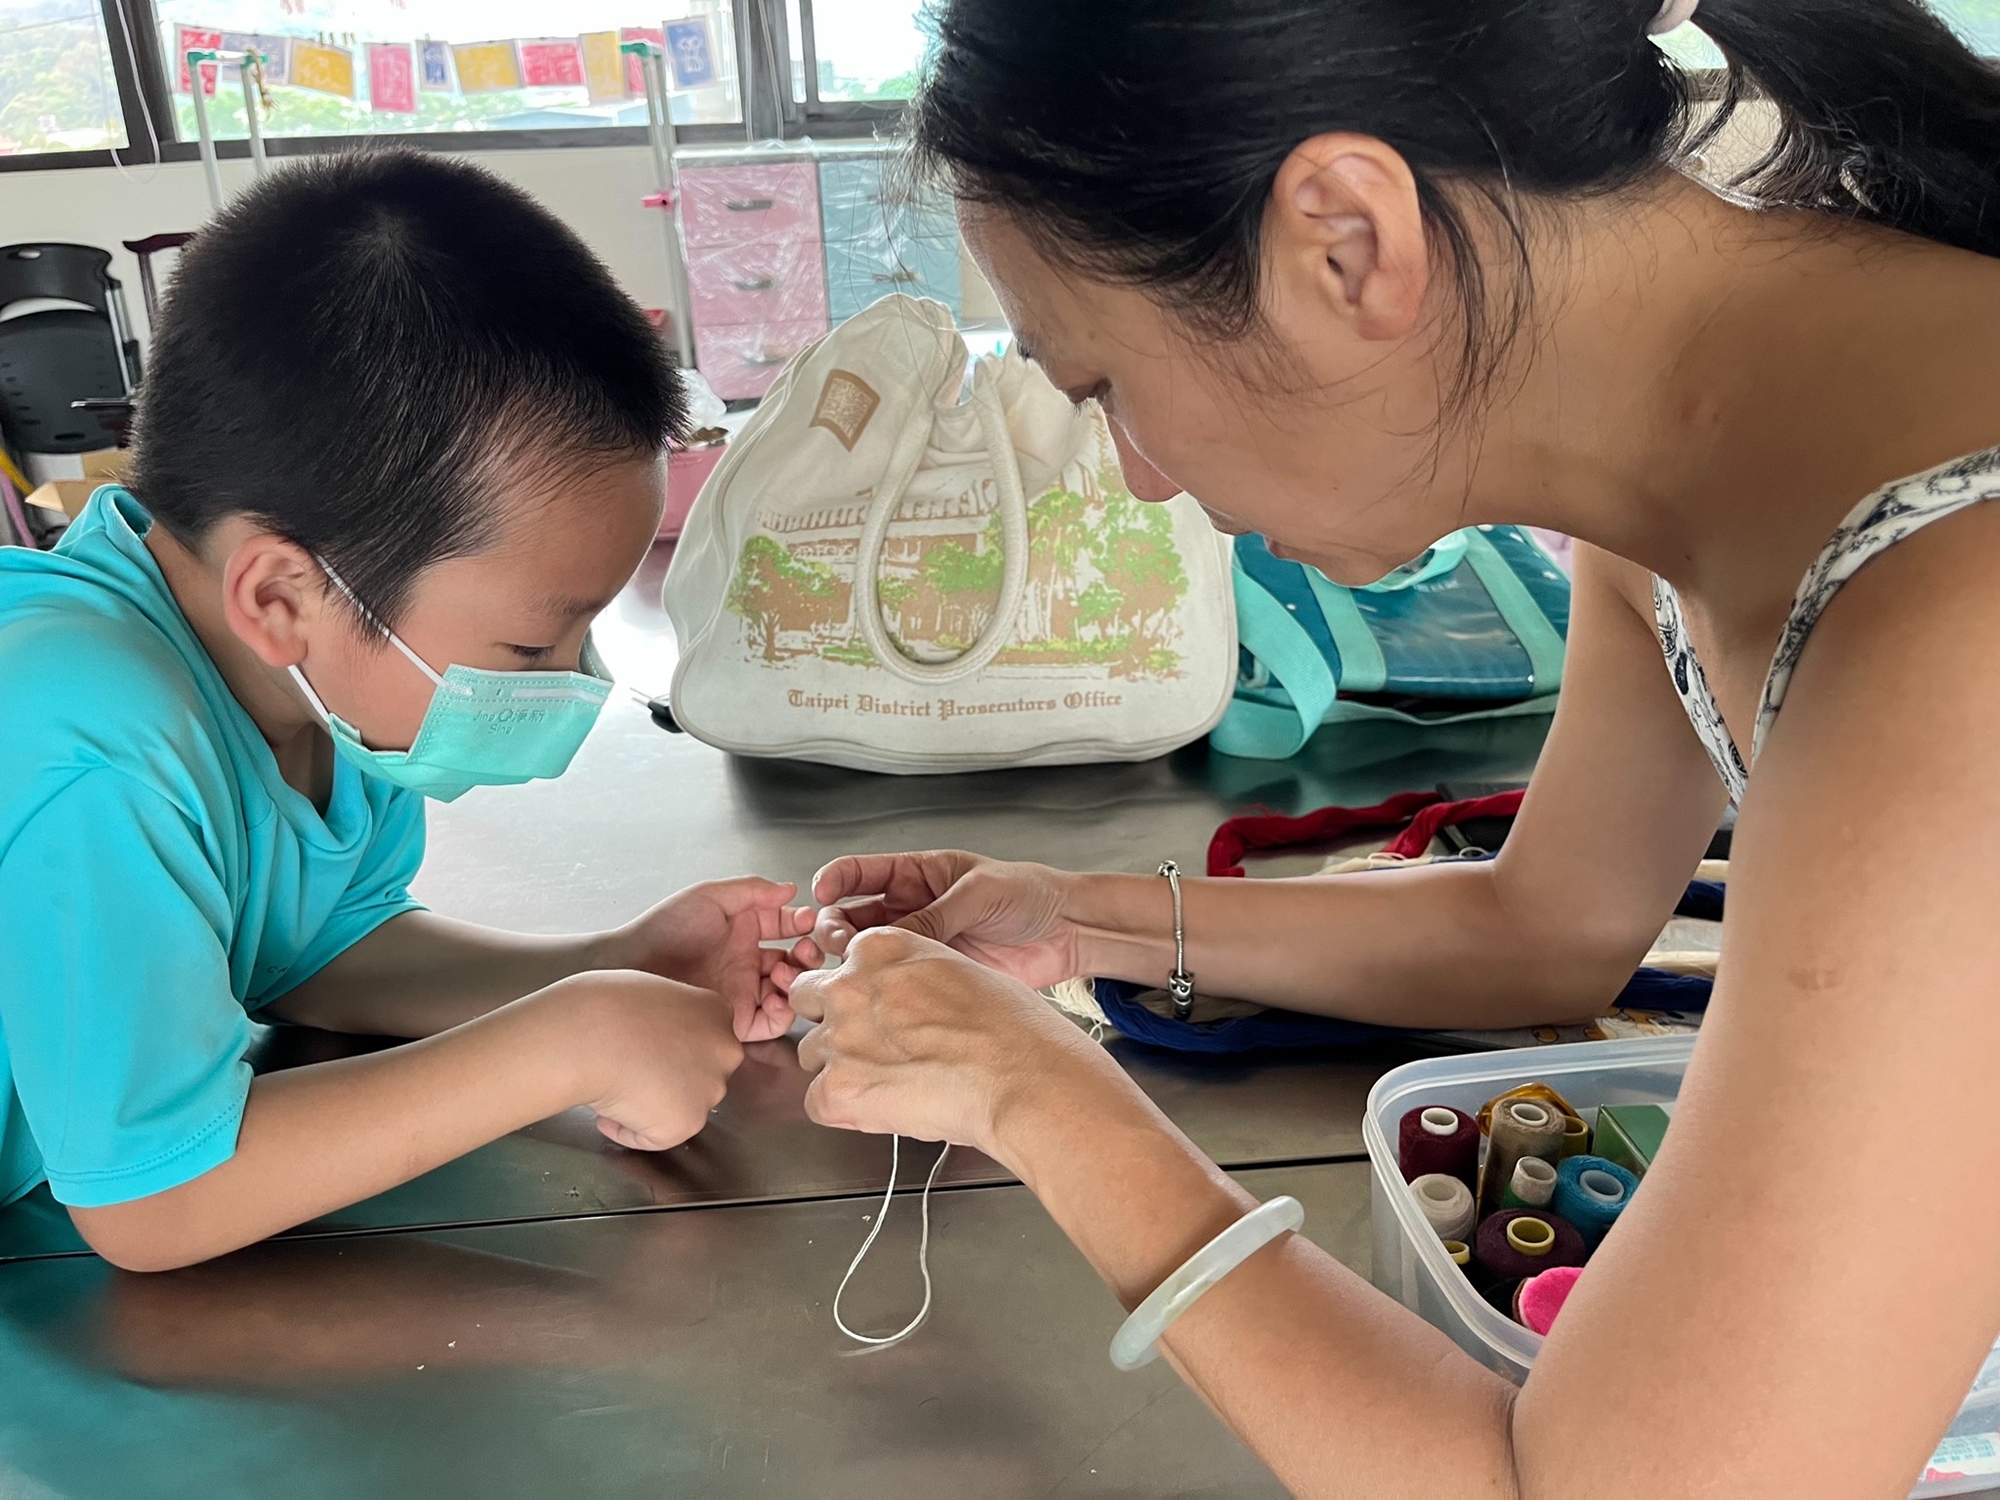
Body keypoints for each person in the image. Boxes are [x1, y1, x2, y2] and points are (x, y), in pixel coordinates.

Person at [793, 0, 2000, 1494]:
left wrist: (1038, 1099)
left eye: (1102, 388)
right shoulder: (1696, 462)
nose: (1140, 480)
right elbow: (1547, 927)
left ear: (1345, 242)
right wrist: (1077, 925)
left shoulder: (1956, 616)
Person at [0, 151, 818, 1273]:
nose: (575, 681)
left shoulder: (305, 688)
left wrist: (610, 964)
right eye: (530, 646)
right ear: (282, 597)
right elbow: (156, 1199)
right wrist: (568, 1044)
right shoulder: (87, 740)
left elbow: (310, 949)